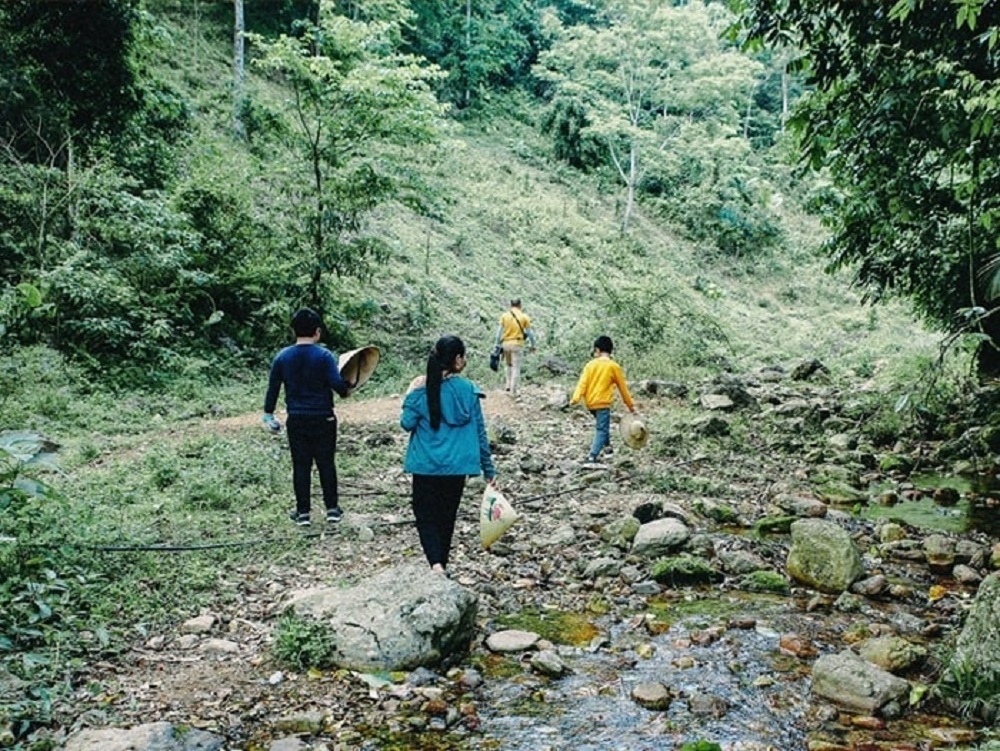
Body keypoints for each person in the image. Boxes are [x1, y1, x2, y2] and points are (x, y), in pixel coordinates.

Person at [401, 335, 497, 575]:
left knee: (425, 516)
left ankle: (435, 564)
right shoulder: (468, 390)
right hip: (457, 467)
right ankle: (441, 563)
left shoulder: (422, 390)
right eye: (463, 356)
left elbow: (406, 423)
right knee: (447, 516)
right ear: (456, 359)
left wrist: (411, 393)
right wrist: (489, 469)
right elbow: (480, 433)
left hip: (425, 466)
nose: (465, 360)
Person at [263, 308, 353, 527]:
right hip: (324, 419)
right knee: (326, 464)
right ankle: (332, 510)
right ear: (317, 332)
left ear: (293, 330)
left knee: (301, 466)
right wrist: (348, 386)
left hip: (297, 419)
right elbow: (338, 386)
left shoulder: (282, 357)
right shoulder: (324, 356)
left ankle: (303, 513)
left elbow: (273, 388)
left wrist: (268, 415)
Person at [569, 335, 637, 464]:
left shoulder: (590, 365)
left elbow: (582, 383)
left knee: (603, 425)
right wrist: (631, 406)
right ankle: (592, 456)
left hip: (590, 403)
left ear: (597, 350)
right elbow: (623, 389)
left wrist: (575, 398)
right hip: (603, 404)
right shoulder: (614, 366)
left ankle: (608, 448)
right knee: (602, 429)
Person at [492, 298, 537, 396]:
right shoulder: (524, 317)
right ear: (520, 305)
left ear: (511, 305)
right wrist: (533, 345)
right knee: (516, 367)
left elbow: (498, 333)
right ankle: (513, 391)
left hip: (505, 344)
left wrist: (496, 344)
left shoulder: (504, 316)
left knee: (508, 365)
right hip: (517, 344)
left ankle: (507, 385)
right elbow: (530, 333)